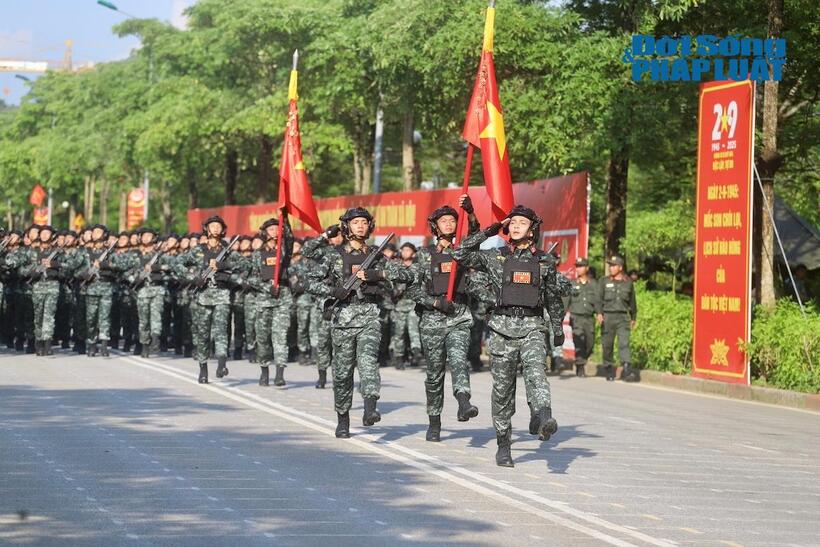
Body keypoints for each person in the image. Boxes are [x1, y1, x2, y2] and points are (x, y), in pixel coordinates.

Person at [454, 205, 566, 467]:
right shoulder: (496, 256)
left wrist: (558, 328)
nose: (515, 226)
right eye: (512, 222)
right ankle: (503, 444)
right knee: (503, 391)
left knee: (536, 372)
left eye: (522, 223)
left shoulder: (544, 262)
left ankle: (544, 415)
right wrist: (490, 230)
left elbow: (552, 298)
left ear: (532, 230)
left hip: (533, 327)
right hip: (502, 329)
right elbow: (460, 254)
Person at [303, 208, 415, 438]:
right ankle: (342, 418)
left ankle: (370, 407)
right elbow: (309, 282)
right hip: (343, 317)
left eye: (364, 222)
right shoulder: (334, 255)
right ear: (347, 227)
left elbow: (406, 275)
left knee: (368, 363)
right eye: (355, 223)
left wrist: (377, 275)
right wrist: (333, 290)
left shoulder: (376, 254)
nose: (361, 226)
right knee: (343, 373)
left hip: (370, 315)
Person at [408, 195, 482, 442]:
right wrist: (434, 302)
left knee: (459, 359)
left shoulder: (462, 251)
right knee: (435, 373)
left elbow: (476, 235)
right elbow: (412, 289)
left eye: (453, 220)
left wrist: (470, 213)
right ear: (435, 226)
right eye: (444, 221)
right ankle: (434, 420)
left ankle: (463, 400)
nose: (449, 224)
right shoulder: (425, 255)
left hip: (459, 315)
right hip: (433, 319)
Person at [174, 216, 238, 383]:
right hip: (203, 297)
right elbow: (178, 264)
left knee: (221, 330)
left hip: (222, 295)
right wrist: (194, 277)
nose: (216, 228)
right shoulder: (198, 250)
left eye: (219, 226)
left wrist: (223, 266)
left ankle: (222, 363)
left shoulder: (228, 250)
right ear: (207, 229)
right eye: (212, 226)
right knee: (203, 334)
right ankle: (203, 368)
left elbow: (246, 265)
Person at [248, 216, 294, 387]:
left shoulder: (283, 251)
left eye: (278, 228)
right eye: (271, 229)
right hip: (264, 299)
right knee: (263, 337)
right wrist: (267, 288)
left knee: (280, 336)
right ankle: (264, 369)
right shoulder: (258, 254)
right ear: (265, 232)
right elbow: (251, 279)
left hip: (282, 298)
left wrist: (286, 219)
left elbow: (290, 239)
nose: (275, 231)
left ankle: (280, 373)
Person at [597, 255, 638, 381]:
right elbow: (598, 299)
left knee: (624, 343)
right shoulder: (604, 281)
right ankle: (609, 368)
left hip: (622, 318)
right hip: (608, 317)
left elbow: (632, 302)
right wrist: (599, 313)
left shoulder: (628, 283)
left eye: (614, 265)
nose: (611, 268)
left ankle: (627, 368)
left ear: (620, 267)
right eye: (610, 265)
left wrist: (633, 317)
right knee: (607, 345)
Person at [389, 242, 422, 370]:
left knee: (414, 330)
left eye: (409, 250)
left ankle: (416, 351)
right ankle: (399, 357)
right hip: (400, 304)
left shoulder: (418, 267)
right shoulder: (396, 266)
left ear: (413, 253)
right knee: (399, 332)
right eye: (404, 250)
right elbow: (390, 285)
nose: (406, 252)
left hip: (413, 304)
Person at [566, 257, 599, 377]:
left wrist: (599, 313)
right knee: (579, 342)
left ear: (587, 268)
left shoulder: (594, 285)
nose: (578, 269)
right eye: (577, 267)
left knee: (590, 343)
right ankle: (580, 366)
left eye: (581, 266)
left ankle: (582, 360)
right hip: (576, 318)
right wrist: (560, 315)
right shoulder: (572, 284)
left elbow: (598, 301)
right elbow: (566, 301)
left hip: (589, 318)